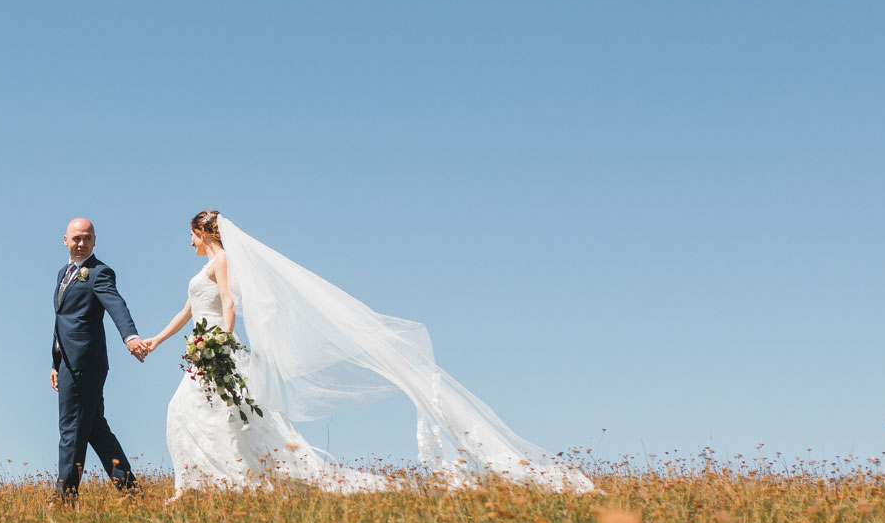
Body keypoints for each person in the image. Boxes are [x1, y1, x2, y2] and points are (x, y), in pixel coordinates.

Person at [130, 210, 594, 499]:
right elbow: (189, 310)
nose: (188, 243)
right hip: (201, 349)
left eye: (190, 236)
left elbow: (228, 305)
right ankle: (210, 482)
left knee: (211, 415)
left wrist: (222, 344)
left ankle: (227, 481)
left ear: (201, 231)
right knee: (195, 415)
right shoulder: (203, 270)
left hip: (216, 351)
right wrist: (155, 339)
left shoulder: (223, 262)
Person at [50, 217, 143, 498]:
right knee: (93, 428)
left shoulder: (99, 273)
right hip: (67, 362)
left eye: (87, 238)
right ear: (64, 240)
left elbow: (116, 304)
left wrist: (130, 336)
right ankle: (130, 489)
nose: (81, 243)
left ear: (94, 241)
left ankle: (65, 497)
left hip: (85, 364)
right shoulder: (62, 274)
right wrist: (55, 364)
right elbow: (62, 321)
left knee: (71, 429)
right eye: (76, 238)